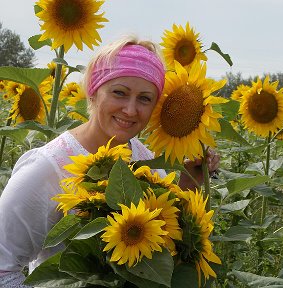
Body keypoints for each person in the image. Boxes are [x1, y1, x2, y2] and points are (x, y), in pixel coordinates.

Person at [0, 35, 219, 287]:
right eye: (119, 93)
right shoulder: (47, 168)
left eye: (145, 98)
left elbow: (158, 237)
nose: (130, 109)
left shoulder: (144, 157)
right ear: (94, 91)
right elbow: (3, 270)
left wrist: (188, 182)